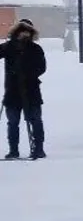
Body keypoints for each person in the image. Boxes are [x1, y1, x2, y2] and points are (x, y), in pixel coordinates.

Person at [0, 18, 46, 159]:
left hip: (31, 91)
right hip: (12, 92)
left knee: (35, 120)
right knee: (13, 122)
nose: (24, 34)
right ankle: (13, 150)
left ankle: (38, 148)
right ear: (16, 32)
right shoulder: (8, 47)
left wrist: (28, 75)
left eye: (27, 32)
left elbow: (42, 67)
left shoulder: (36, 49)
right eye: (22, 31)